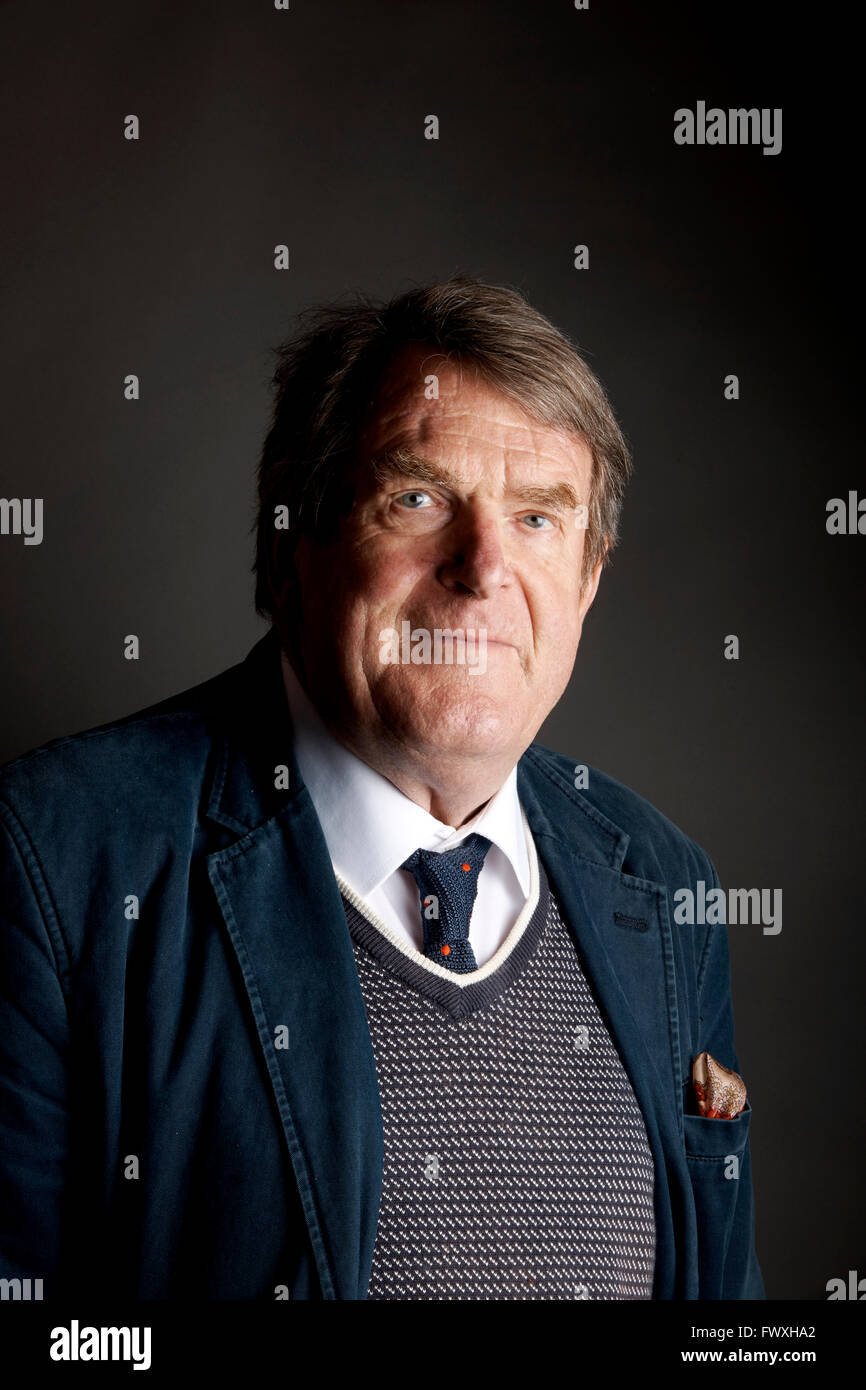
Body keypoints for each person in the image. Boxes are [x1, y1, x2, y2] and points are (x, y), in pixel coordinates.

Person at [0, 277, 763, 1300]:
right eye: (416, 499)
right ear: (287, 544)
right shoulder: (55, 858)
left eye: (537, 518)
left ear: (586, 579)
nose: (482, 566)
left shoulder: (665, 886)